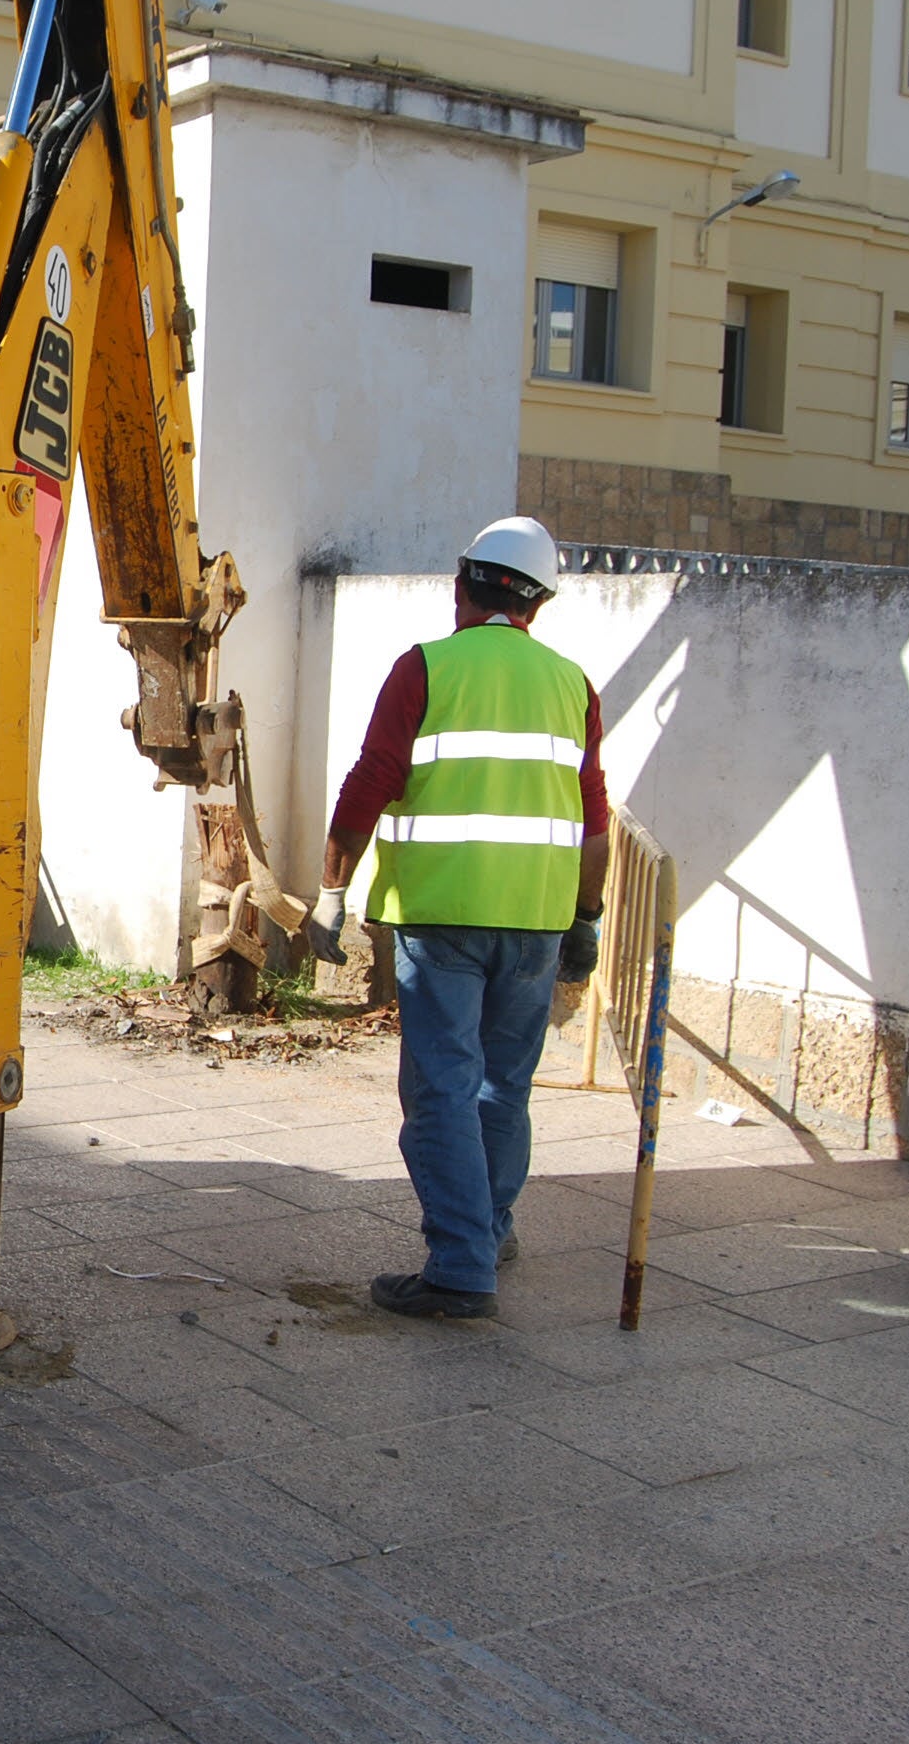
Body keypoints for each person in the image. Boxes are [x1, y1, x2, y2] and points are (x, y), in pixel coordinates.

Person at [305, 516, 610, 1319]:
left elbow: (370, 783)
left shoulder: (426, 669)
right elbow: (593, 818)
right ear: (537, 604)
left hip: (441, 919)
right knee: (503, 1089)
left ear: (462, 584)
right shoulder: (572, 684)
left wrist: (333, 890)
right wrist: (586, 917)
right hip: (538, 921)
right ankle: (491, 1228)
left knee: (441, 1089)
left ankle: (461, 1267)